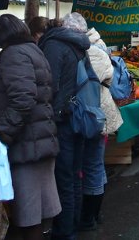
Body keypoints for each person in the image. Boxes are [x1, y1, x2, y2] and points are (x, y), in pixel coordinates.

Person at [0, 14, 60, 240]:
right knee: (37, 213)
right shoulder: (34, 50)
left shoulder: (14, 55)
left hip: (27, 146)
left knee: (28, 216)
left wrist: (0, 132)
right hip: (39, 140)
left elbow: (23, 100)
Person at [37, 12, 93, 240]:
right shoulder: (80, 46)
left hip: (63, 120)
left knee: (64, 180)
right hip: (79, 116)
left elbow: (49, 85)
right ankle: (74, 225)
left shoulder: (54, 46)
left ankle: (64, 232)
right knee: (74, 175)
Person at [74, 13, 122, 231]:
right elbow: (109, 78)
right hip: (99, 113)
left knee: (90, 164)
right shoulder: (99, 51)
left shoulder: (86, 54)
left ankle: (88, 216)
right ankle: (95, 213)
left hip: (89, 115)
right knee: (96, 164)